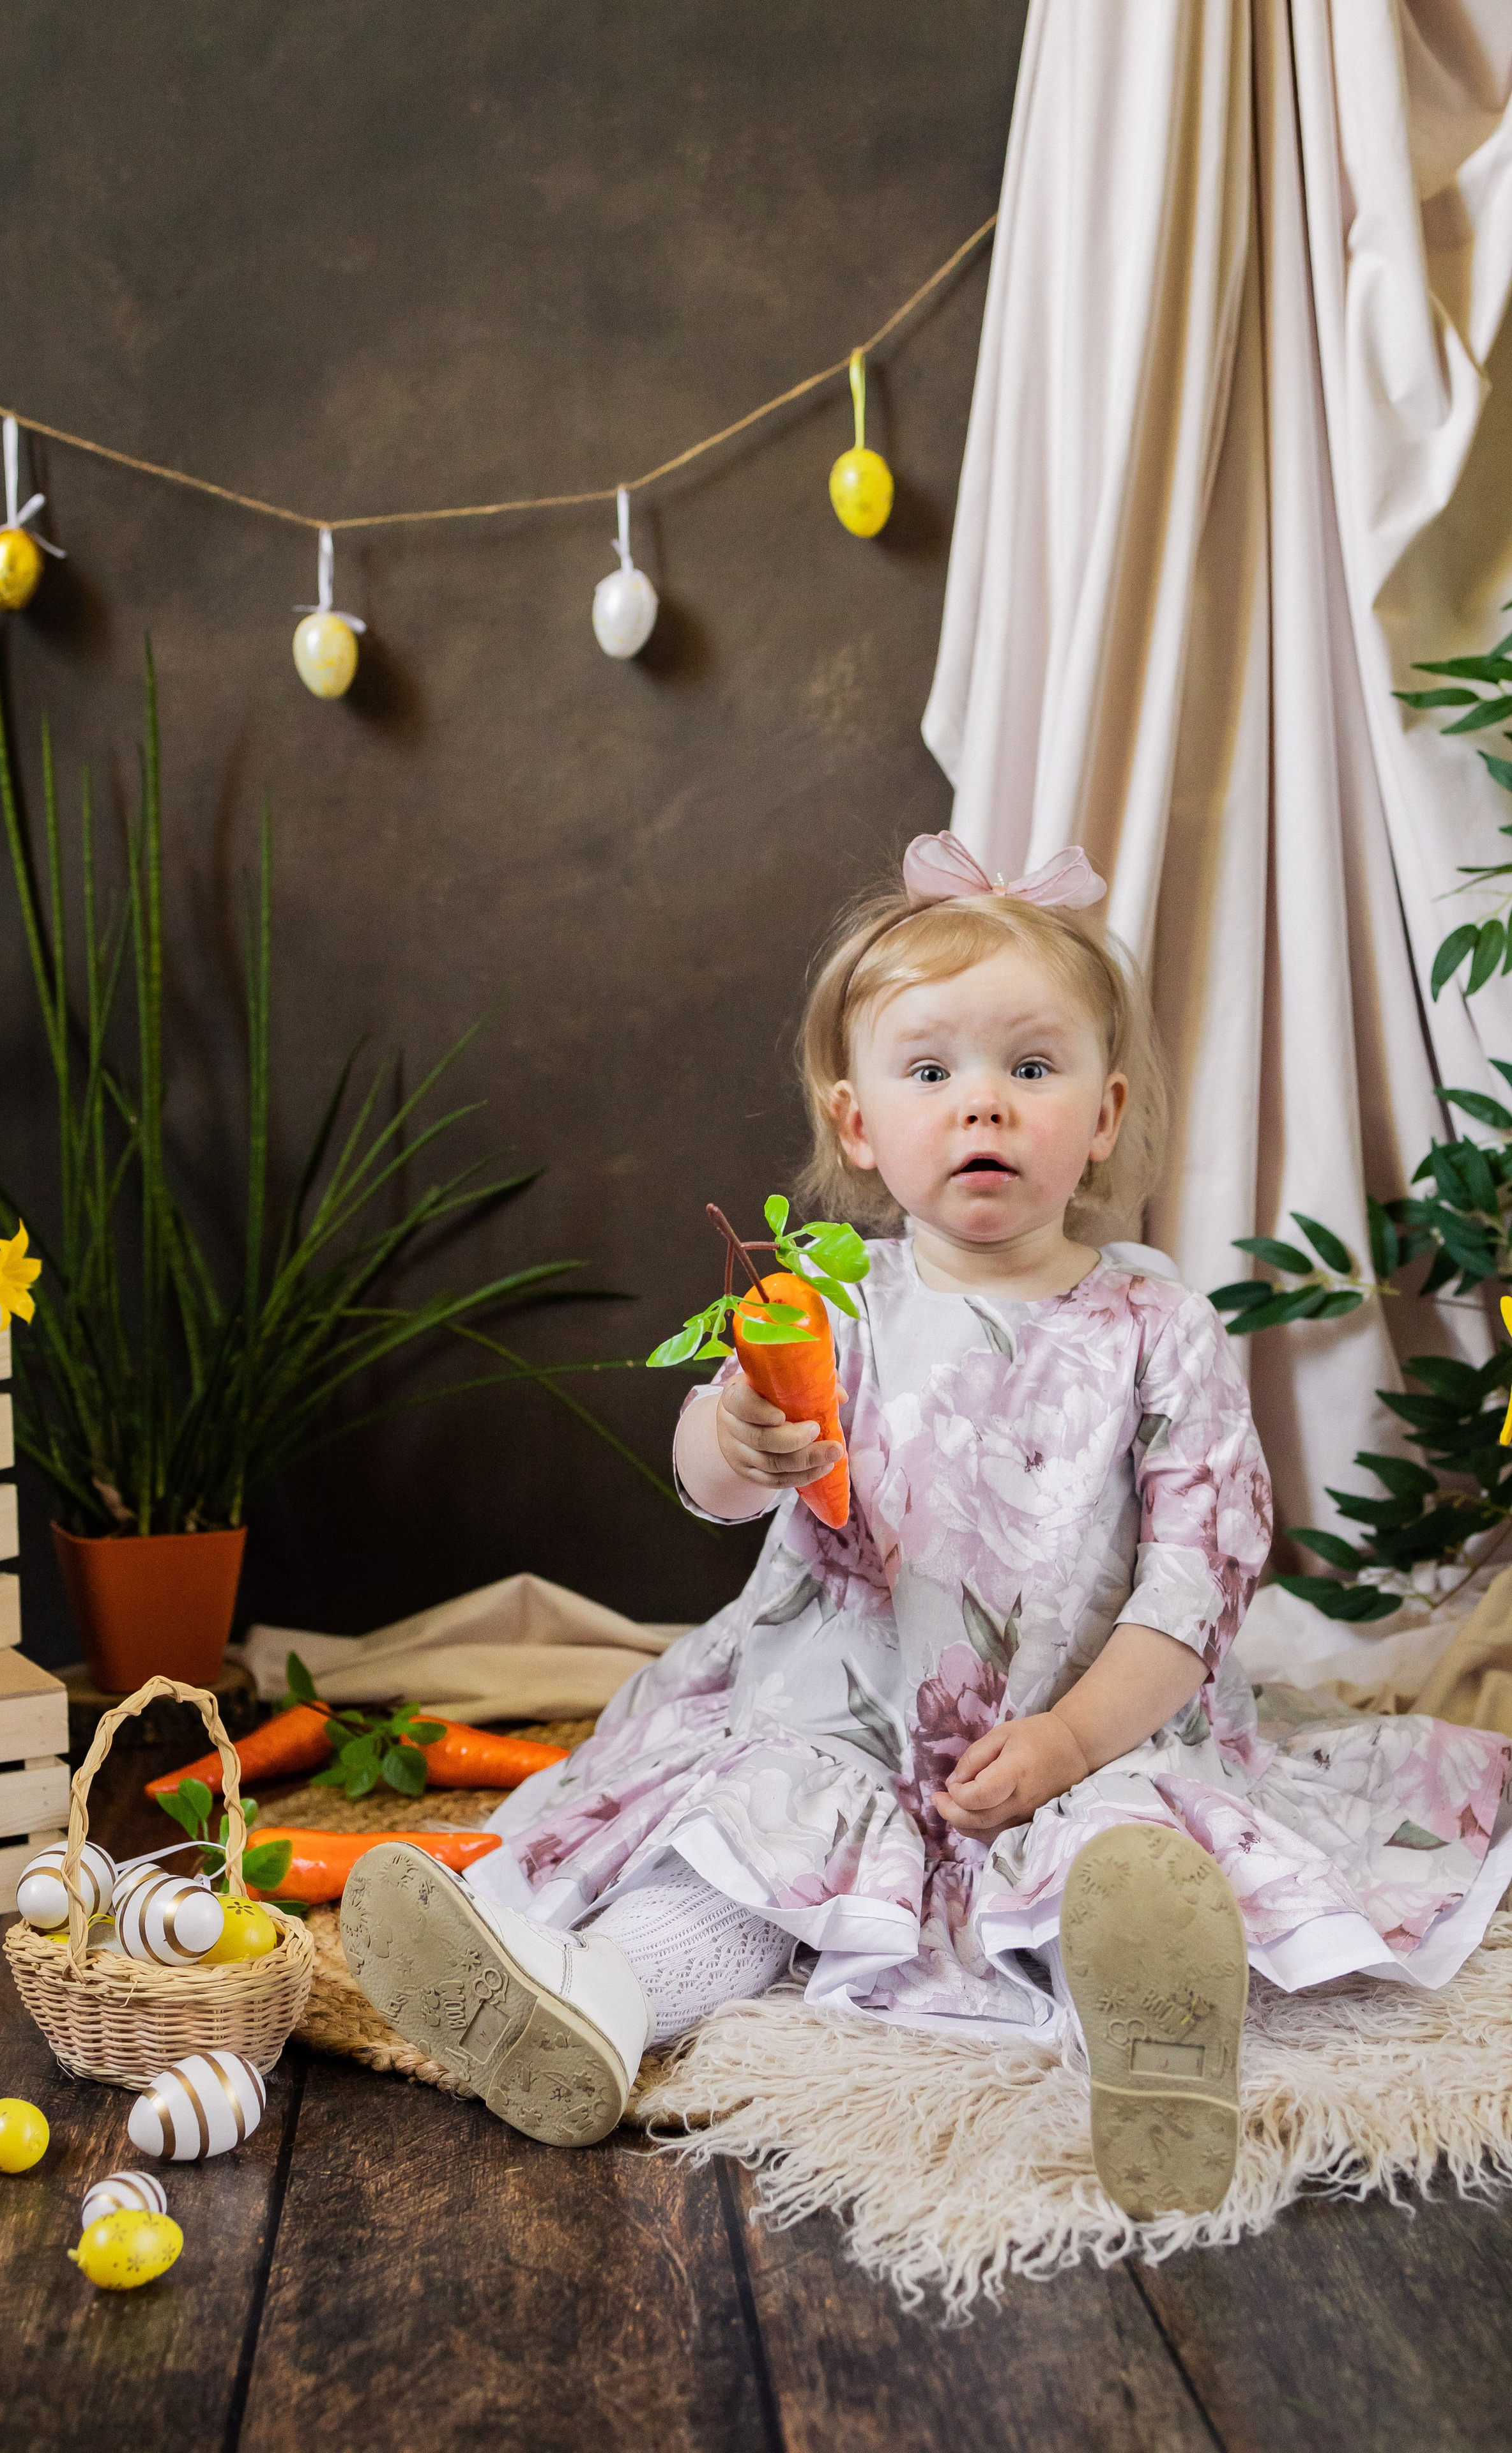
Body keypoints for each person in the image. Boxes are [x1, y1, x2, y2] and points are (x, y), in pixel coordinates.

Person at [342, 832, 1512, 2214]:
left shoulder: (1157, 1325)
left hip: (1086, 1733)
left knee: (1126, 1872)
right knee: (735, 1860)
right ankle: (591, 2009)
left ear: (1103, 1113)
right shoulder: (828, 1302)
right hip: (835, 1727)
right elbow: (711, 1482)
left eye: (1032, 1068)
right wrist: (736, 1434)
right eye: (930, 1072)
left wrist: (1072, 1740)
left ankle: (1152, 2048)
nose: (984, 1106)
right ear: (856, 1124)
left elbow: (1191, 1591)